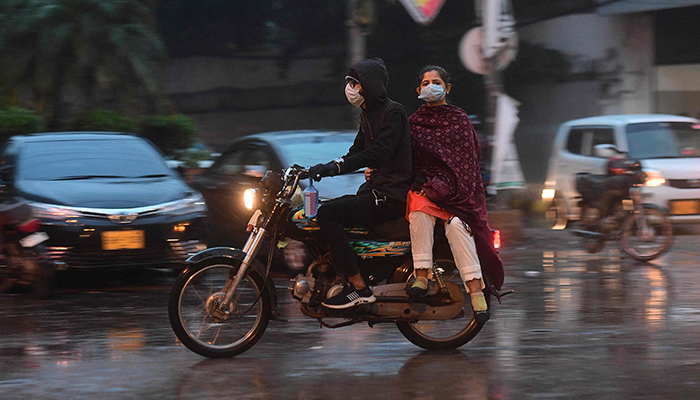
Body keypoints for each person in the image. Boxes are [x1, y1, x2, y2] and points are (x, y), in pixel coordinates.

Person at [308, 58, 412, 309]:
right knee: (322, 213)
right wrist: (321, 168)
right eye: (349, 83)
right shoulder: (367, 116)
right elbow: (355, 151)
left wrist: (337, 167)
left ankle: (359, 287)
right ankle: (338, 275)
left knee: (329, 215)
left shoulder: (393, 112)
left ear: (370, 85)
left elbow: (377, 153)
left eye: (355, 82)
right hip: (376, 190)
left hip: (390, 194)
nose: (350, 88)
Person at [404, 65, 504, 322]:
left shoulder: (460, 120)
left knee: (458, 226)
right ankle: (422, 276)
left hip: (460, 193)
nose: (430, 87)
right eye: (425, 83)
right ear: (418, 90)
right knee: (418, 213)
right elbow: (405, 159)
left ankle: (475, 291)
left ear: (447, 88)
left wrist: (451, 187)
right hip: (427, 191)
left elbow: (468, 163)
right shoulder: (413, 123)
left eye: (436, 82)